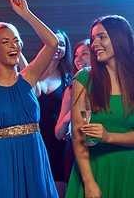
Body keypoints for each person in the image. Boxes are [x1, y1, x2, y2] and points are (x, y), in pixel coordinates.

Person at [0, 0, 59, 197]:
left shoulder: (29, 77)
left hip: (34, 155)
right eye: (6, 41)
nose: (14, 45)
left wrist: (26, 14)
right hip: (3, 159)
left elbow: (52, 43)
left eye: (16, 41)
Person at [66, 15, 134, 198]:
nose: (94, 43)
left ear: (120, 38)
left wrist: (108, 136)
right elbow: (78, 134)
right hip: (93, 170)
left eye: (102, 37)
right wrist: (89, 182)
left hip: (129, 170)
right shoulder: (84, 78)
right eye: (93, 38)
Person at [37, 30, 72, 197]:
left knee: (58, 186)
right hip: (35, 136)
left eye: (63, 44)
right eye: (55, 42)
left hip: (58, 140)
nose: (59, 47)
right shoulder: (32, 73)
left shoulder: (68, 80)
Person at [55, 39, 91, 184]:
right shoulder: (71, 90)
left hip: (103, 150)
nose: (79, 59)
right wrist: (68, 119)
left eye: (84, 54)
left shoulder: (108, 86)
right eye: (76, 55)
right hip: (77, 153)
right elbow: (58, 134)